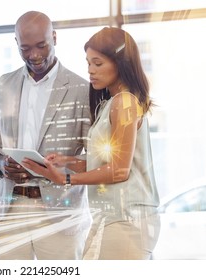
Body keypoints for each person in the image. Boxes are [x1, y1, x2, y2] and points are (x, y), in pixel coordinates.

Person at [23, 27, 160, 260]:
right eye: (88, 63)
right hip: (112, 217)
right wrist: (68, 162)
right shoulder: (111, 103)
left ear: (121, 63)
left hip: (126, 218)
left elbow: (119, 170)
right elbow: (105, 162)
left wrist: (66, 179)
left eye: (98, 63)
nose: (90, 71)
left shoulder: (125, 102)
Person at [0, 11, 92, 260]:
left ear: (54, 37)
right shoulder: (2, 86)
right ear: (17, 45)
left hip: (60, 213)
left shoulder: (82, 90)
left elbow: (95, 157)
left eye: (42, 45)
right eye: (25, 48)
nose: (34, 55)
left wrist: (62, 167)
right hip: (10, 209)